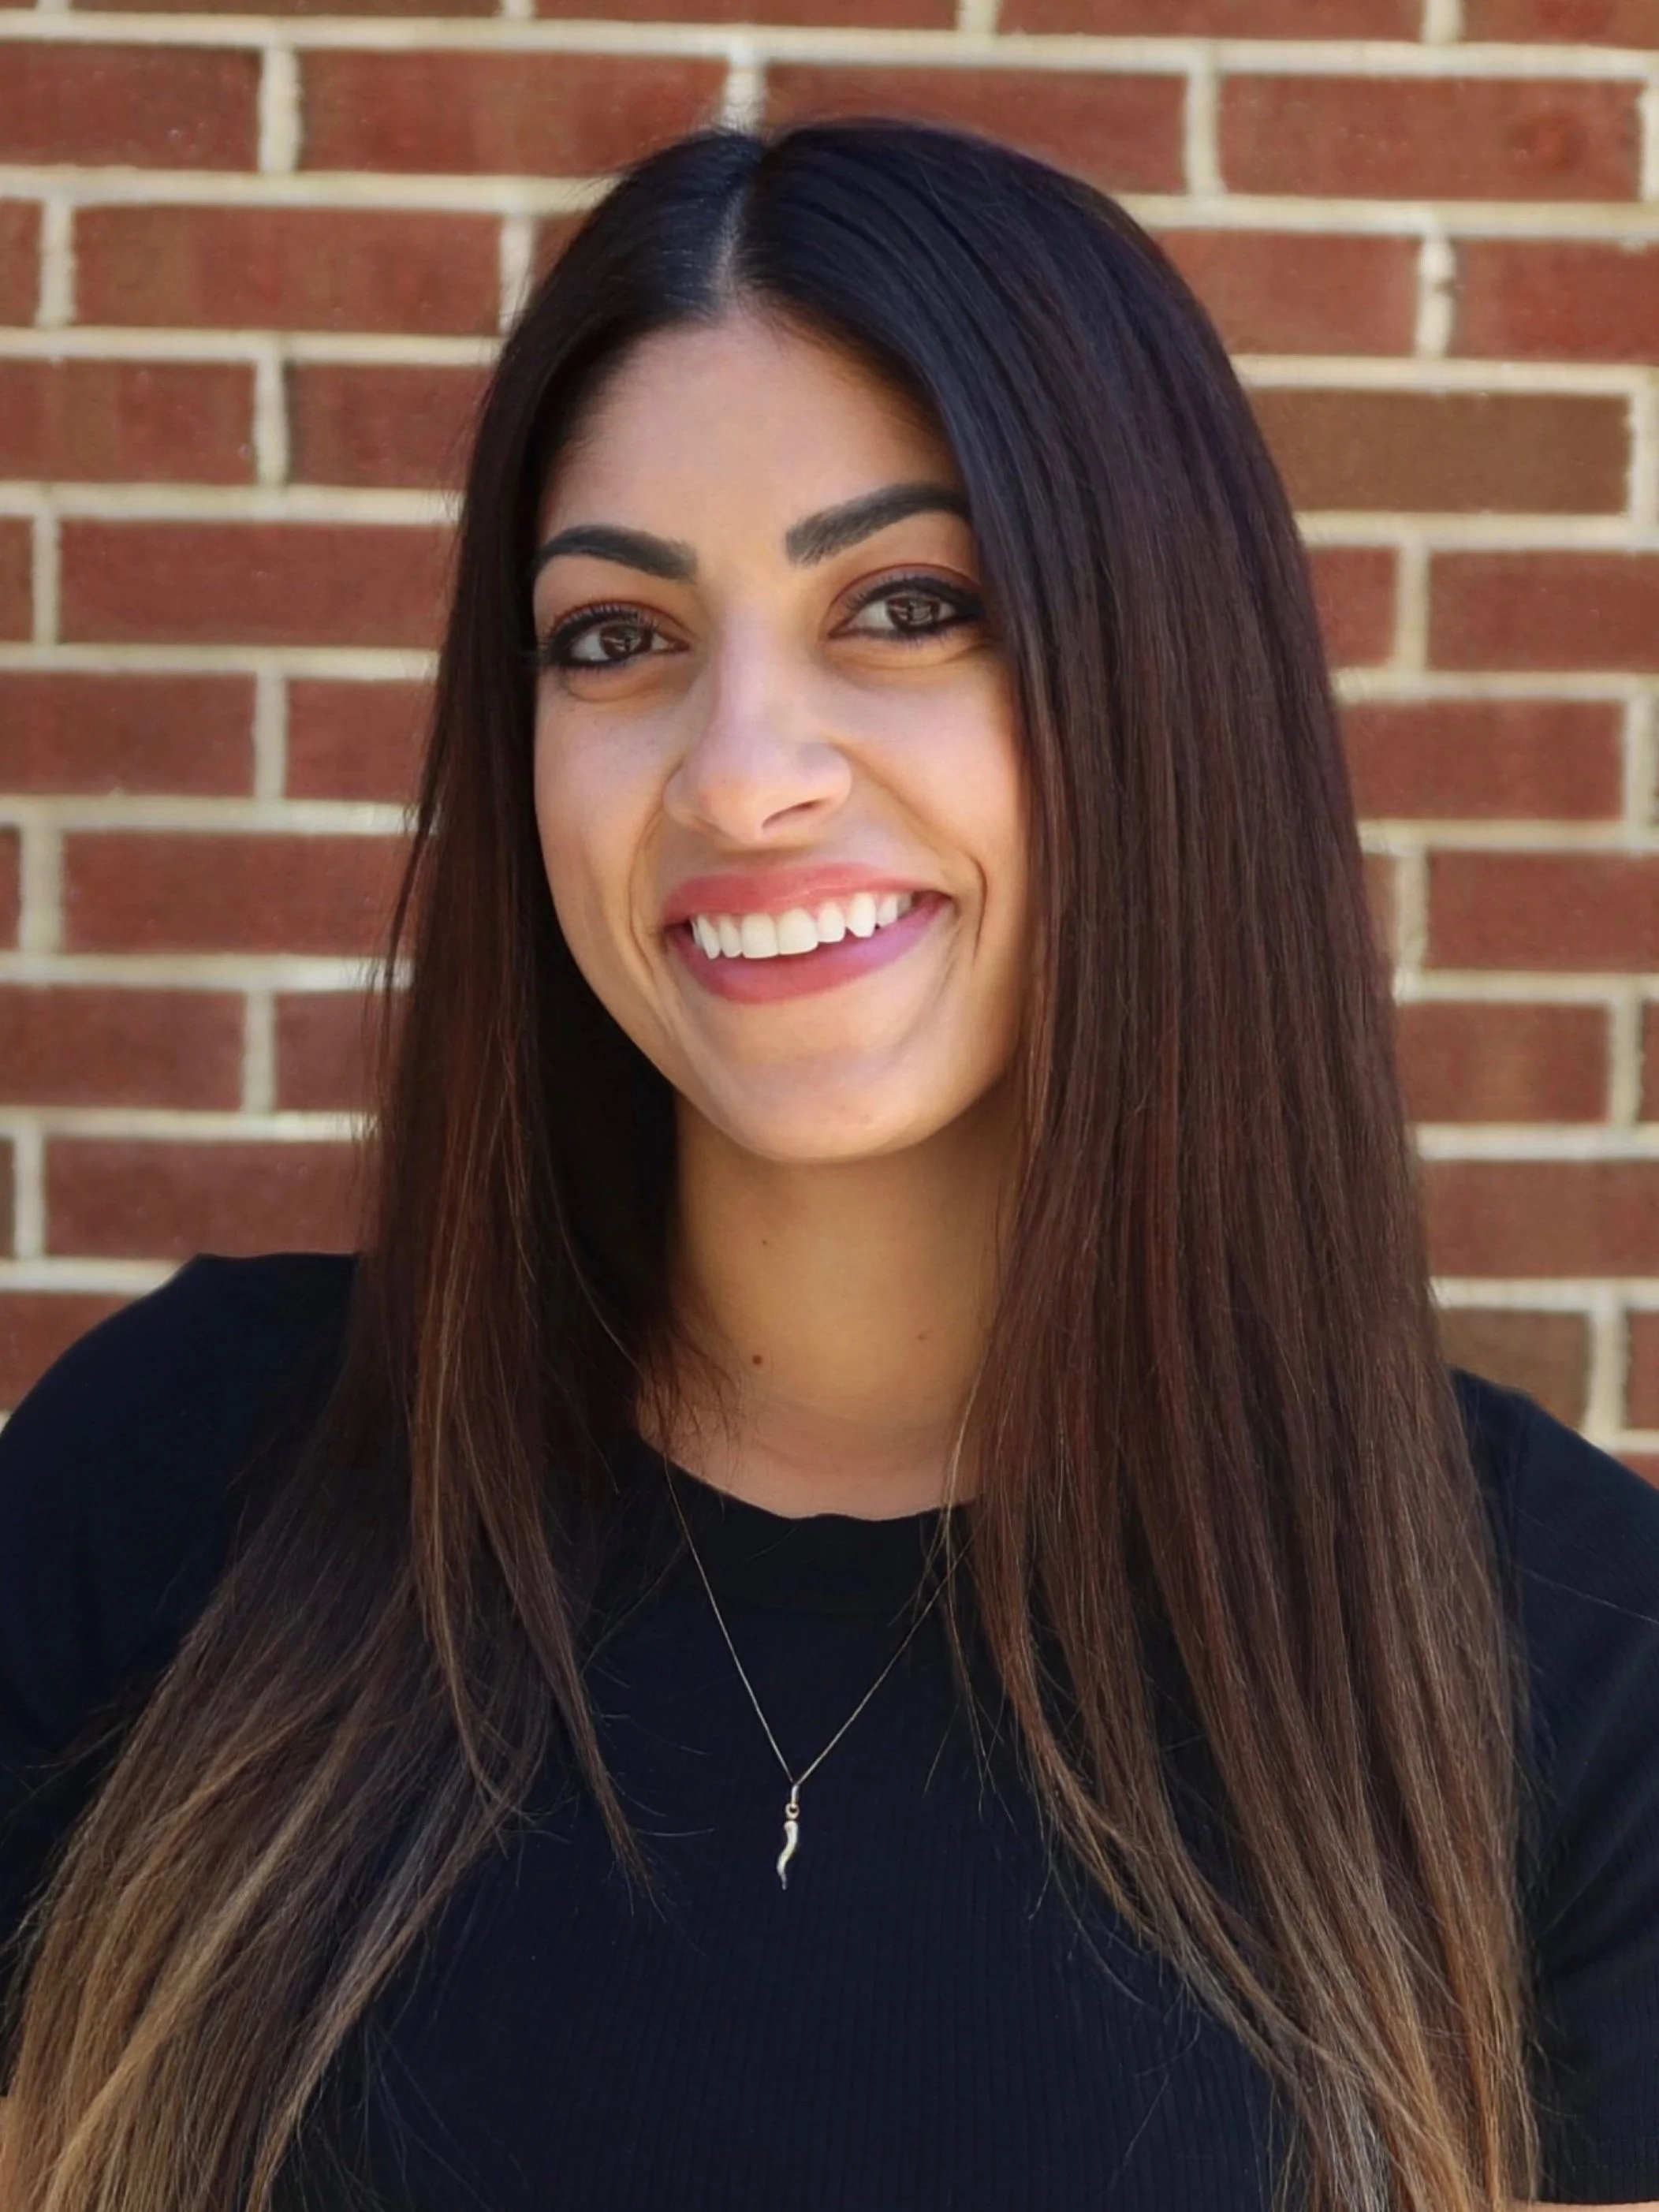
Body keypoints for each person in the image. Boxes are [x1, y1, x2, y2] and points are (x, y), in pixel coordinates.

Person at [0, 116, 1656, 2212]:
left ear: (1166, 683)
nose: (742, 776)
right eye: (615, 636)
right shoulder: (174, 1488)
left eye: (908, 603)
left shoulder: (1559, 1655)